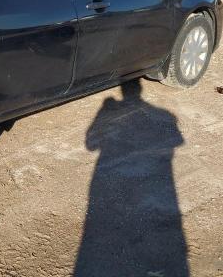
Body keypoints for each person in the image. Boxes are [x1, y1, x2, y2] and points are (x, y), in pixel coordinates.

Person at [74, 79, 188, 276]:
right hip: (156, 180)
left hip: (114, 180)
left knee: (112, 227)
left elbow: (90, 144)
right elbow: (178, 140)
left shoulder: (110, 107)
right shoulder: (163, 115)